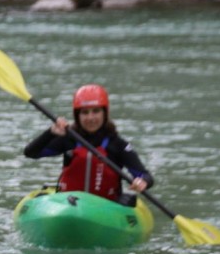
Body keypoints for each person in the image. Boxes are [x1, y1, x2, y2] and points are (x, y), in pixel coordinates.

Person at [24, 84, 153, 205]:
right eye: (85, 112)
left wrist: (142, 182)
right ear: (77, 116)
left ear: (105, 113)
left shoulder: (117, 145)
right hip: (68, 204)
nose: (90, 118)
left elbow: (145, 175)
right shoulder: (69, 139)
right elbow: (31, 153)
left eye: (96, 111)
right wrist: (50, 133)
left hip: (106, 206)